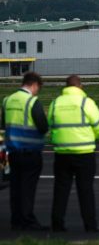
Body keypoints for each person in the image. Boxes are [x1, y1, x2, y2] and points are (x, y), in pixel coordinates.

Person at [48, 75, 99, 232]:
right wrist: (89, 137)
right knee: (85, 190)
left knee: (60, 189)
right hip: (84, 152)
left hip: (62, 153)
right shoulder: (87, 102)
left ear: (66, 87)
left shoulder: (56, 103)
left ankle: (57, 224)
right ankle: (90, 225)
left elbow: (50, 125)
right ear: (80, 86)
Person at [1, 72, 48, 231]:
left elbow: (4, 124)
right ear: (34, 85)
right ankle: (27, 220)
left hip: (12, 151)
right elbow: (43, 126)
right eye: (38, 89)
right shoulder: (32, 101)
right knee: (28, 188)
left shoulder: (7, 100)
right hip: (30, 152)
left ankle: (16, 219)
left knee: (15, 188)